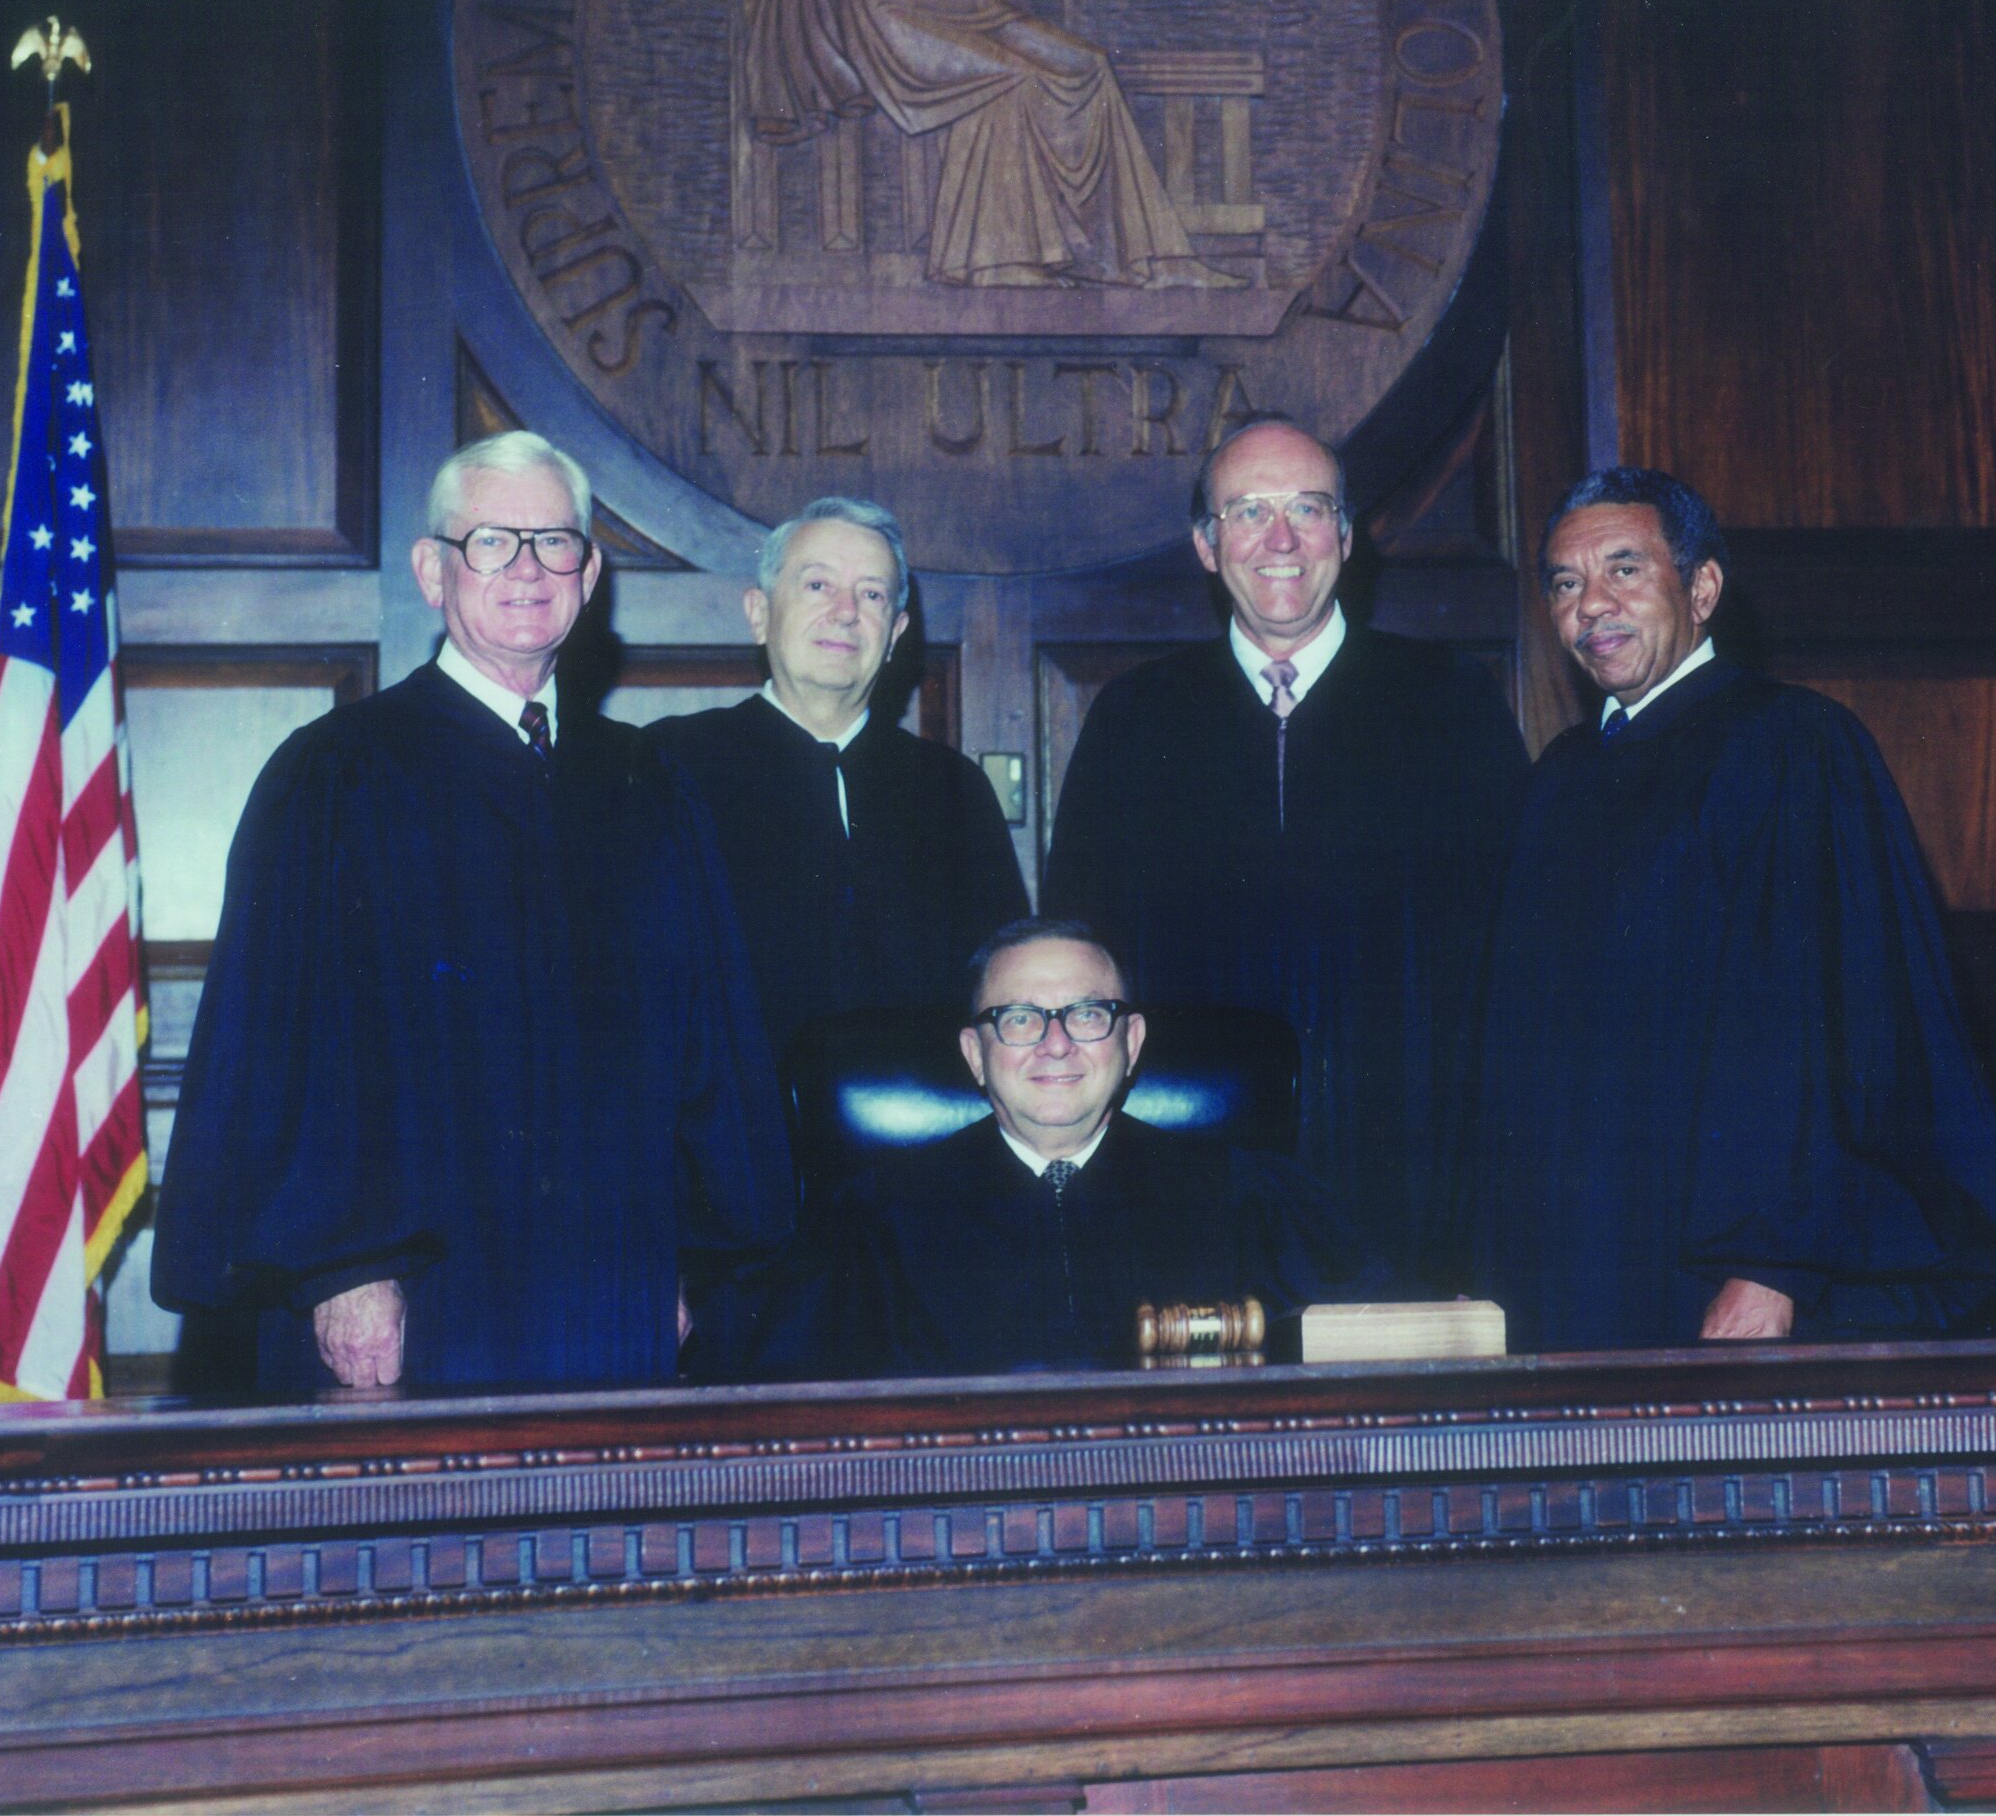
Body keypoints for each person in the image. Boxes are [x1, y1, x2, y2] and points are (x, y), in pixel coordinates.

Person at [151, 432, 794, 1393]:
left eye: (555, 543)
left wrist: (690, 1261)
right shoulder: (339, 772)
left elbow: (710, 1047)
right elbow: (283, 1048)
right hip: (414, 1299)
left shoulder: (646, 784)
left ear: (590, 574)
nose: (528, 570)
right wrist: (341, 1271)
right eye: (492, 542)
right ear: (431, 571)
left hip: (613, 1287)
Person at [1473, 467, 1996, 1351]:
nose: (1591, 605)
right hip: (1580, 1257)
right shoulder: (1560, 777)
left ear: (1702, 588)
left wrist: (1774, 1266)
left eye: (1624, 569)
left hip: (1724, 1272)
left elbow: (1825, 1032)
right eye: (1564, 583)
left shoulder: (1789, 746)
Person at [1045, 419, 1530, 1291]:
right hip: (1192, 1173)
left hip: (1408, 1166)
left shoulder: (1450, 703)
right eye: (1249, 512)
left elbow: (1514, 951)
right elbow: (1081, 954)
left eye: (1307, 509)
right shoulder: (1134, 719)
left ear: (1345, 536)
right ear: (1206, 545)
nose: (1281, 540)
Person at [818, 920, 1383, 1377]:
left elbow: (1383, 1354)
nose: (1056, 1044)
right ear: (975, 1055)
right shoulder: (875, 1221)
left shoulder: (1247, 1197)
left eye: (1087, 1015)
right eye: (1020, 1019)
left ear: (1130, 1042)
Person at [742, 0, 1230, 289]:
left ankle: (1148, 259)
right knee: (1012, 79)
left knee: (1087, 65)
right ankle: (997, 261)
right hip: (880, 8)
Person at [649, 498, 1025, 1071]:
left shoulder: (955, 789)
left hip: (920, 1114)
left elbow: (1004, 987)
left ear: (895, 633)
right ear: (759, 613)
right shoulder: (669, 766)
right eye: (818, 585)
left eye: (871, 595)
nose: (845, 612)